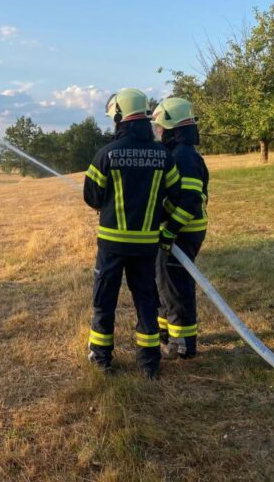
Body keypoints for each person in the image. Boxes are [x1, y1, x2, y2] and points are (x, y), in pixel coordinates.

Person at [84, 88, 184, 379]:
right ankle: (150, 363)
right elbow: (176, 195)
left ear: (119, 116)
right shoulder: (163, 155)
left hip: (112, 244)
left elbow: (92, 196)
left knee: (105, 300)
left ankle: (101, 358)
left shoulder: (107, 154)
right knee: (146, 301)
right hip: (146, 246)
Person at [151, 97, 209, 359]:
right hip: (179, 231)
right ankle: (167, 336)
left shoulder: (183, 156)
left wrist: (170, 230)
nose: (158, 132)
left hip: (184, 232)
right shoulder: (179, 152)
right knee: (164, 283)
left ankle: (182, 344)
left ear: (172, 126)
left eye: (160, 127)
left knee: (176, 287)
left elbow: (190, 202)